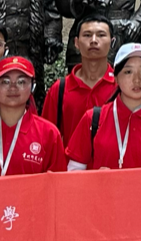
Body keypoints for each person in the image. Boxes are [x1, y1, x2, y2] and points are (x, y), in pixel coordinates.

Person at [66, 41, 141, 170]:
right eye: (128, 71)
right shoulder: (93, 119)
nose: (137, 79)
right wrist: (96, 178)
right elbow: (73, 171)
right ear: (116, 77)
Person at [0, 54, 67, 177]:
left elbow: (58, 184)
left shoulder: (49, 134)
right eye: (5, 82)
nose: (13, 87)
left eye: (21, 82)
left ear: (32, 87)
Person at [43, 11, 118, 143]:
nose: (93, 40)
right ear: (76, 43)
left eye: (101, 35)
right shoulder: (59, 89)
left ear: (112, 42)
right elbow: (47, 137)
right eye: (87, 35)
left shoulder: (120, 87)